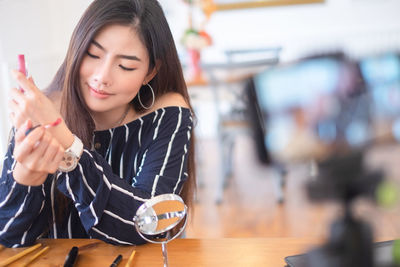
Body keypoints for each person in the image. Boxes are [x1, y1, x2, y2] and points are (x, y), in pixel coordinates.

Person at [0, 0, 195, 247]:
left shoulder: (167, 115)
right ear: (76, 50)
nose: (102, 77)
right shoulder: (41, 112)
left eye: (125, 66)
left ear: (150, 72)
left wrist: (69, 148)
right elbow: (9, 235)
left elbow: (149, 225)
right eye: (93, 54)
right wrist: (26, 175)